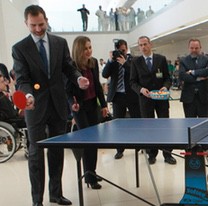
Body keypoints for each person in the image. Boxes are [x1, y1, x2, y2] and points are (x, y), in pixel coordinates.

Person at [12, 5, 89, 206]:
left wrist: (78, 78)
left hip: (57, 104)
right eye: (33, 25)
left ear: (46, 20)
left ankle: (56, 193)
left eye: (41, 24)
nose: (38, 29)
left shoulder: (59, 43)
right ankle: (37, 199)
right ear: (26, 23)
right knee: (36, 153)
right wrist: (28, 94)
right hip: (34, 106)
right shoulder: (19, 48)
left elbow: (68, 68)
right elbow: (22, 78)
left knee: (57, 150)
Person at [66, 36, 108, 190]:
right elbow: (67, 91)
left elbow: (97, 85)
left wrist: (103, 105)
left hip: (92, 105)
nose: (89, 51)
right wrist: (72, 105)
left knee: (94, 140)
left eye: (90, 47)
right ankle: (89, 176)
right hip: (80, 107)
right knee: (88, 141)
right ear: (78, 49)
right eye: (85, 48)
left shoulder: (93, 62)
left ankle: (92, 172)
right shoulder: (71, 66)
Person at [129, 36, 176, 165]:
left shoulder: (161, 59)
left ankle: (167, 154)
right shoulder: (136, 62)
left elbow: (167, 78)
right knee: (149, 128)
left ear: (150, 44)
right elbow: (132, 82)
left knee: (164, 126)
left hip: (161, 99)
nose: (143, 47)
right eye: (140, 45)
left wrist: (165, 87)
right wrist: (141, 89)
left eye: (145, 44)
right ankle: (151, 154)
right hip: (145, 100)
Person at [102, 39, 141, 159]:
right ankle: (119, 149)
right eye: (119, 50)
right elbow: (104, 74)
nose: (121, 53)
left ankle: (140, 145)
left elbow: (136, 74)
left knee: (137, 122)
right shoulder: (112, 62)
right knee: (118, 125)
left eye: (123, 50)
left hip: (132, 96)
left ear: (127, 48)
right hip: (117, 96)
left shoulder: (133, 60)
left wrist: (125, 63)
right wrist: (109, 60)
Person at [179, 38, 208, 118]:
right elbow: (182, 75)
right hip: (188, 98)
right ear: (188, 48)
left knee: (204, 123)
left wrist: (192, 72)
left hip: (204, 96)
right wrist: (198, 78)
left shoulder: (207, 59)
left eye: (196, 48)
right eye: (192, 48)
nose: (194, 50)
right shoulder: (183, 60)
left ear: (200, 48)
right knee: (189, 122)